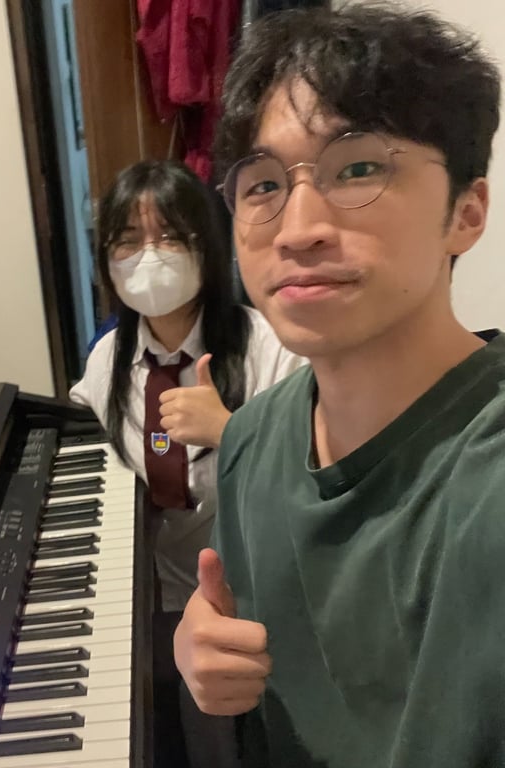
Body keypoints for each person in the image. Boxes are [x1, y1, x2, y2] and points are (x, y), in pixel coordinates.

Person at [173, 4, 505, 767]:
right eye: (262, 184)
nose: (298, 229)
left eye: (357, 169)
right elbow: (243, 617)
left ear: (466, 211)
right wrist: (200, 637)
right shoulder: (250, 440)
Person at [69, 159, 303, 767]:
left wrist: (229, 431)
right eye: (128, 241)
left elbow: (311, 480)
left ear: (208, 245)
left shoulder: (268, 347)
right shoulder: (108, 359)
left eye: (170, 236)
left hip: (246, 602)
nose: (149, 257)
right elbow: (86, 447)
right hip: (143, 596)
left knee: (231, 746)